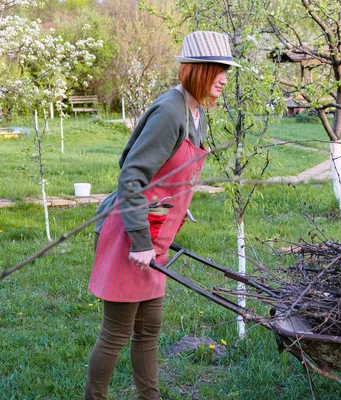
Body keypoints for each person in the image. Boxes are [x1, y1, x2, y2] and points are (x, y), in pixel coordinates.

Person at [85, 31, 239, 400]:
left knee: (149, 328)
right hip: (130, 235)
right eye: (217, 69)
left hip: (156, 238)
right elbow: (132, 176)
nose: (224, 78)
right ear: (196, 69)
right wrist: (140, 241)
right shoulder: (171, 111)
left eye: (226, 70)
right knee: (117, 333)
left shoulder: (197, 112)